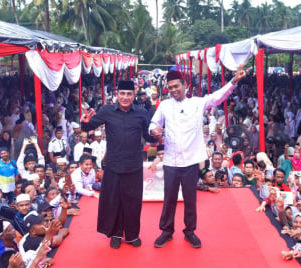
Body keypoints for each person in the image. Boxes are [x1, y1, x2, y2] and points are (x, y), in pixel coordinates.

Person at [150, 67, 246, 248]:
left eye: (176, 86)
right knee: (169, 198)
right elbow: (154, 123)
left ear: (185, 85)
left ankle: (190, 231)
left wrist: (233, 82)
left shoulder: (197, 102)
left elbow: (218, 97)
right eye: (170, 88)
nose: (173, 90)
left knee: (190, 199)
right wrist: (154, 130)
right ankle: (166, 231)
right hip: (171, 160)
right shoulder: (164, 105)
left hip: (191, 160)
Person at [80, 80, 156, 249]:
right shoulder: (107, 111)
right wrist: (84, 121)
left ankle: (132, 235)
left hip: (134, 165)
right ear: (117, 95)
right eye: (122, 94)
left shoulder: (142, 113)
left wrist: (156, 136)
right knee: (113, 201)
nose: (125, 97)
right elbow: (89, 125)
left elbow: (148, 135)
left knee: (133, 201)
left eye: (129, 94)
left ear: (133, 95)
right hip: (113, 164)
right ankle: (115, 233)